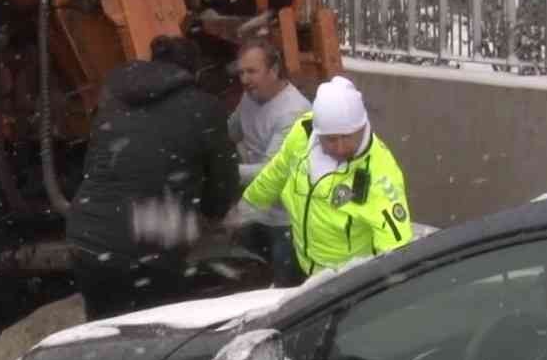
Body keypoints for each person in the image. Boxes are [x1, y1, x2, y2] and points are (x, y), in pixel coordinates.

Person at [66, 34, 240, 321]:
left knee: (101, 332)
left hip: (87, 238)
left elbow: (93, 166)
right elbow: (222, 186)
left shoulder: (115, 97)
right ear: (194, 71)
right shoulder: (204, 108)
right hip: (148, 243)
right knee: (152, 336)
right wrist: (210, 212)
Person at [241, 75, 413, 276]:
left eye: (347, 137)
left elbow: (397, 249)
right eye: (330, 140)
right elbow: (276, 172)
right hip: (301, 259)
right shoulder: (303, 134)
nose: (339, 148)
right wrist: (246, 208)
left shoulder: (380, 176)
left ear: (362, 127)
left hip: (346, 282)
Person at [226, 38, 308, 287]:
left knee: (285, 293)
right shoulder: (249, 97)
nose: (244, 79)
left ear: (273, 70)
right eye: (241, 72)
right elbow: (230, 131)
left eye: (252, 71)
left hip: (286, 219)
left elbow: (271, 171)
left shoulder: (293, 112)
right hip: (256, 211)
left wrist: (223, 172)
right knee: (248, 283)